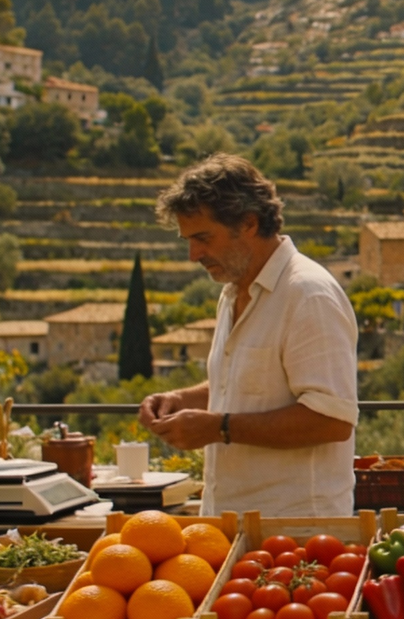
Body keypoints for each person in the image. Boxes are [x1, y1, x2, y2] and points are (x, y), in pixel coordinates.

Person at [140, 156, 360, 517]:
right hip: (231, 524)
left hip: (296, 531)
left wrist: (219, 428)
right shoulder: (233, 292)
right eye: (188, 240)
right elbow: (247, 384)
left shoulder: (308, 295)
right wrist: (181, 399)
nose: (193, 255)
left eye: (203, 238)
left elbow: (331, 421)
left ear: (249, 223)